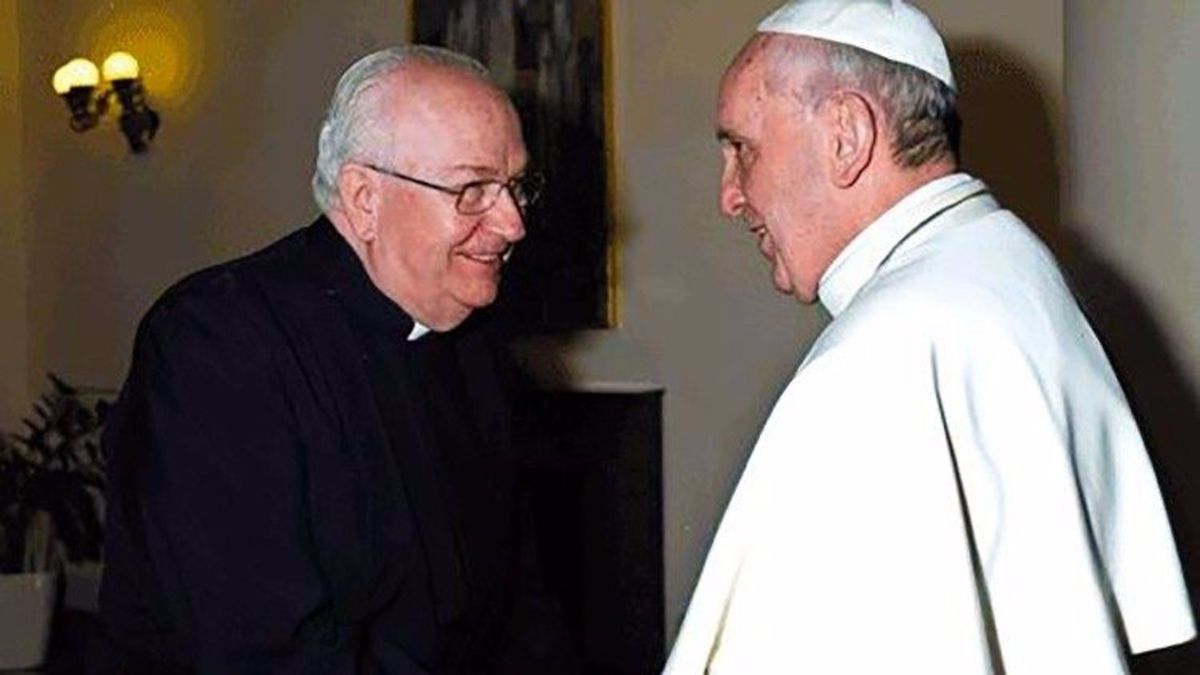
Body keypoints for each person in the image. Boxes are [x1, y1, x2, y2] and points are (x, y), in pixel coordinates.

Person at [666, 1, 1196, 672]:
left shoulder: (879, 358)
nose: (729, 196)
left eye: (742, 149)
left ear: (846, 136)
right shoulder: (1006, 261)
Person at [94, 46, 571, 673]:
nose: (512, 224)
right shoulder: (217, 339)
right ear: (364, 198)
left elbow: (518, 611)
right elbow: (261, 649)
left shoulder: (473, 346)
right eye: (473, 189)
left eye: (515, 187)